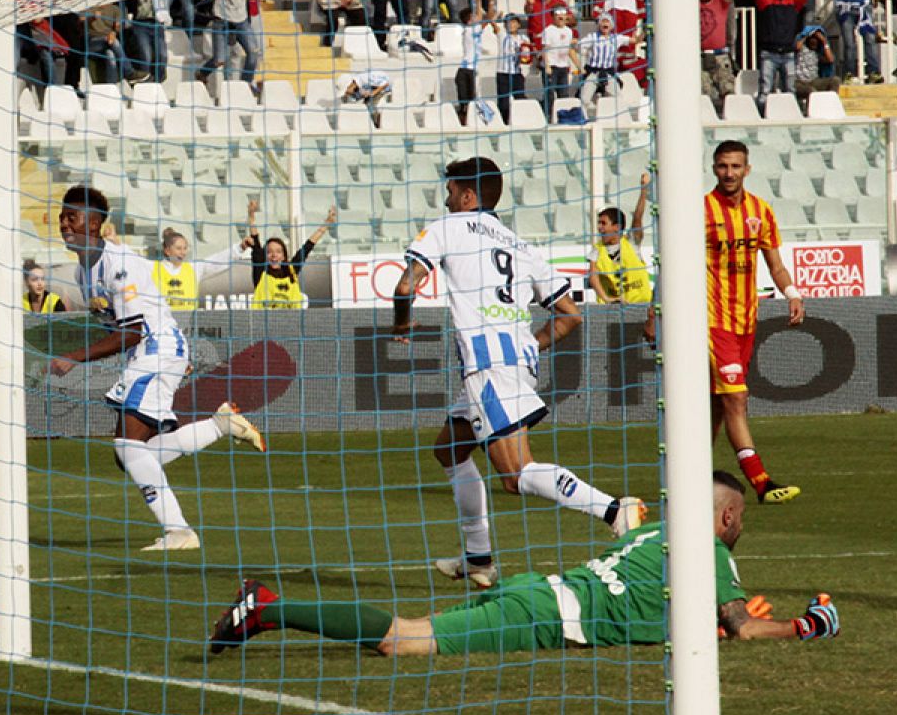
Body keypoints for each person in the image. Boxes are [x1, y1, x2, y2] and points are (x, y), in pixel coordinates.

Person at [208, 472, 842, 656]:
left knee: (412, 632)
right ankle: (268, 607)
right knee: (403, 640)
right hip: (544, 615)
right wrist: (805, 625)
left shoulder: (658, 532)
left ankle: (267, 609)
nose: (739, 528)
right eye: (740, 518)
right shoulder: (710, 552)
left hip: (539, 590)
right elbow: (742, 628)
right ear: (727, 517)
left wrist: (710, 618)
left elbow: (668, 603)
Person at [391, 158, 646, 589]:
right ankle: (479, 559)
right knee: (449, 450)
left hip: (488, 368)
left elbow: (404, 286)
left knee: (515, 475)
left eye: (450, 192)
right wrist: (530, 343)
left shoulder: (448, 227)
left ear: (467, 196)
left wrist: (400, 324)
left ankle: (614, 510)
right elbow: (570, 315)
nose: (446, 200)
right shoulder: (521, 246)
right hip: (515, 364)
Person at [46, 186, 268, 552]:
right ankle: (219, 425)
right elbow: (118, 326)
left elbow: (132, 331)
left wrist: (75, 357)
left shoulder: (120, 264)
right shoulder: (82, 272)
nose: (64, 225)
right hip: (154, 353)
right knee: (131, 453)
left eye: (73, 217)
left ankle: (180, 533)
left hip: (154, 349)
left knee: (128, 447)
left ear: (95, 223)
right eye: (62, 218)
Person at [704, 140, 804, 504]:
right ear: (714, 169)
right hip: (712, 320)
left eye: (735, 166)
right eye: (722, 166)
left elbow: (775, 264)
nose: (728, 173)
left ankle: (688, 473)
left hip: (746, 321)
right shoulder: (701, 211)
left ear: (747, 169)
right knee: (737, 398)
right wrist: (656, 312)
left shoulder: (760, 211)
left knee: (718, 404)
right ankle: (761, 482)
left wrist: (792, 293)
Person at [244, 202, 337, 310]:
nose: (274, 255)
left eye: (278, 251)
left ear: (284, 256)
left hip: (291, 320)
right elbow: (255, 241)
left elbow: (308, 246)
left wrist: (327, 224)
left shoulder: (292, 270)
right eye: (269, 252)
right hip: (263, 320)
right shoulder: (260, 272)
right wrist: (251, 216)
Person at [589, 172, 650, 304]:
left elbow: (637, 218)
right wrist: (606, 298)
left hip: (640, 305)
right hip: (613, 308)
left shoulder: (631, 242)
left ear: (617, 227)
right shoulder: (597, 250)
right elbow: (592, 276)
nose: (599, 227)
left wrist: (644, 190)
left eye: (603, 223)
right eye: (599, 223)